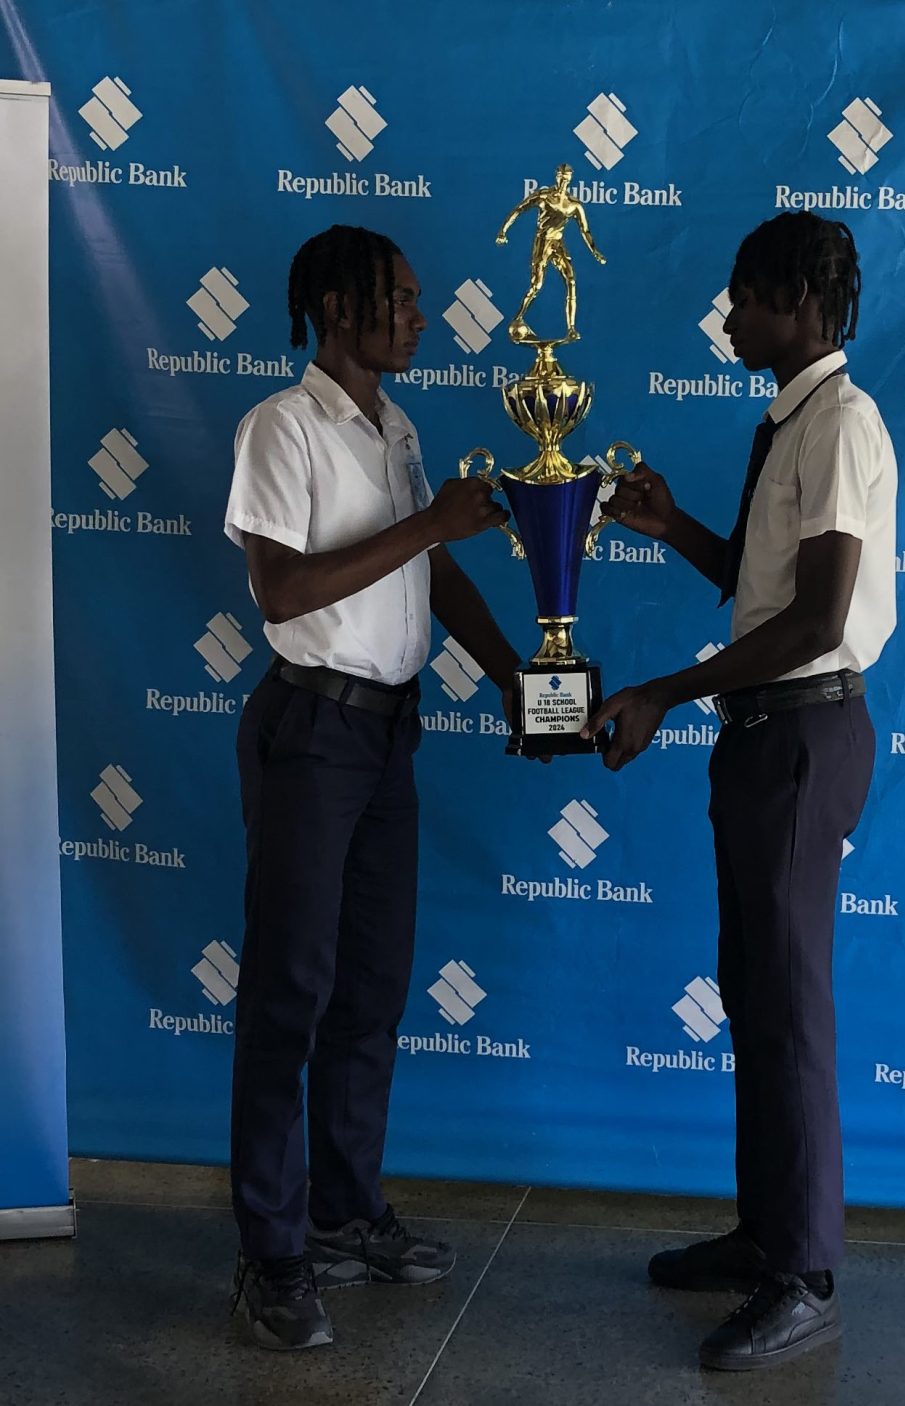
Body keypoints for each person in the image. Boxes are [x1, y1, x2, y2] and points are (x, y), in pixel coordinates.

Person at [583, 211, 897, 1372]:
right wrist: (675, 532)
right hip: (768, 734)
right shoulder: (793, 423)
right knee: (757, 994)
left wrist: (664, 688)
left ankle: (805, 1275)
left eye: (744, 300)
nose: (728, 319)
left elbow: (818, 624)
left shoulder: (844, 424)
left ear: (802, 301)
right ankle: (768, 1233)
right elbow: (767, 595)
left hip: (805, 735)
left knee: (792, 1007)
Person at [223, 224, 521, 1351]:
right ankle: (271, 1251)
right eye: (401, 298)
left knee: (372, 987)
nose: (421, 315)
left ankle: (346, 1211)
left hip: (390, 737)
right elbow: (284, 587)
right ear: (339, 310)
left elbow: (432, 570)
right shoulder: (280, 426)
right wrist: (428, 521)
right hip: (311, 730)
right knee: (288, 991)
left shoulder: (395, 427)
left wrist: (513, 679)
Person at [496, 162, 606, 343]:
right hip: (542, 243)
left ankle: (571, 328)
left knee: (571, 280)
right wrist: (503, 231)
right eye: (561, 176)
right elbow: (519, 209)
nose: (563, 180)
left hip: (558, 243)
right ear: (556, 176)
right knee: (536, 285)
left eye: (567, 177)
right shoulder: (544, 196)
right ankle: (519, 316)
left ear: (570, 179)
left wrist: (595, 252)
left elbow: (585, 230)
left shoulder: (574, 205)